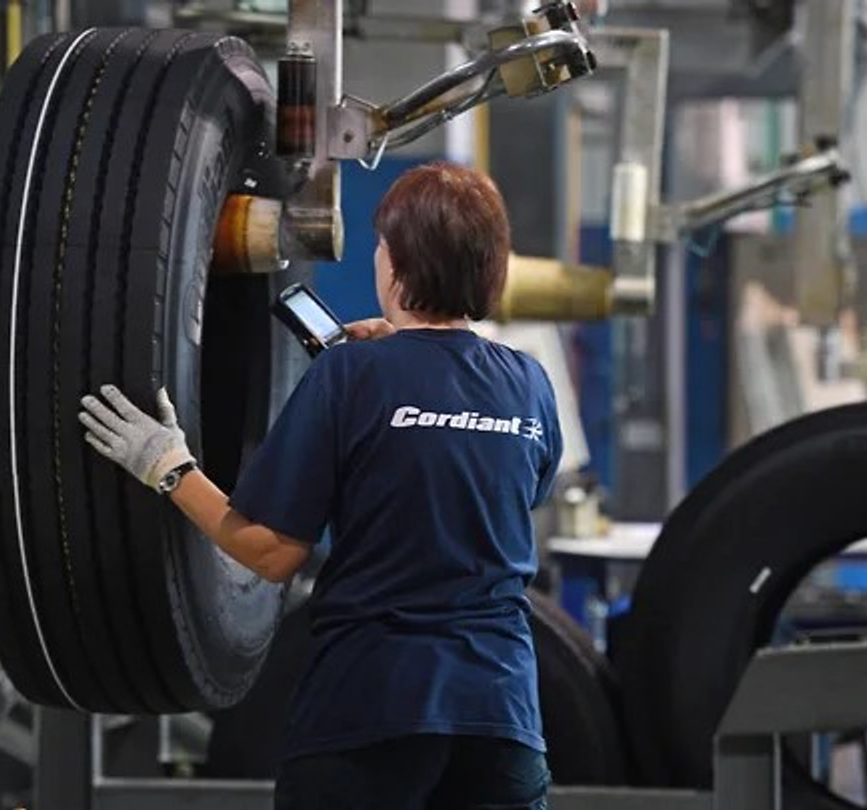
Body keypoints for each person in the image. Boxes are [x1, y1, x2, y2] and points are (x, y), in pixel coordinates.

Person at [78, 161, 564, 810]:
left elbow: (270, 551)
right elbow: (509, 489)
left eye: (382, 246)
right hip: (503, 721)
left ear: (398, 266)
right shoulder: (529, 384)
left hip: (374, 711)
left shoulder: (350, 375)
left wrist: (166, 465)